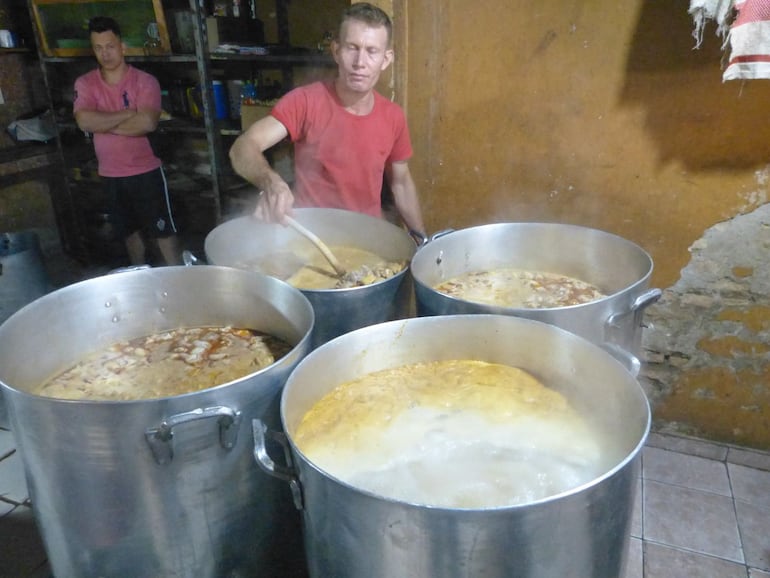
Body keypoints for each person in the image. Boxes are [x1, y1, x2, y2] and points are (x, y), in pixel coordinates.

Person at [229, 2, 426, 238]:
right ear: (336, 51)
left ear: (386, 59)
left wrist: (422, 239)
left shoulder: (393, 116)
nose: (360, 62)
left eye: (372, 51)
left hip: (370, 241)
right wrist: (271, 182)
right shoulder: (305, 101)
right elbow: (242, 149)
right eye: (352, 48)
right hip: (312, 238)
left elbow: (401, 183)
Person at [73, 16, 181, 266]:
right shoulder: (85, 83)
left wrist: (102, 123)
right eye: (98, 48)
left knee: (163, 231)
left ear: (122, 46)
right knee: (129, 233)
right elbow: (84, 122)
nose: (105, 53)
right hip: (110, 174)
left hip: (146, 171)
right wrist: (126, 114)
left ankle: (179, 278)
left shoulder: (145, 81)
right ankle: (136, 277)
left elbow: (147, 123)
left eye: (110, 46)